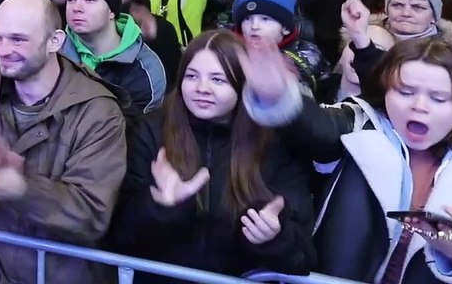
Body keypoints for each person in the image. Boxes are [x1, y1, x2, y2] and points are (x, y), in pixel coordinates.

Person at [242, 35, 452, 283]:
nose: (419, 105)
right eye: (405, 91)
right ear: (385, 92)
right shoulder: (359, 125)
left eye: (438, 98)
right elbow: (319, 128)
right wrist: (279, 97)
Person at [0, 0, 126, 283]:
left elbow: (91, 215)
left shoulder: (98, 111)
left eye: (18, 39)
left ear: (55, 41)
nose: (2, 49)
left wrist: (21, 188)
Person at [108, 30, 315, 282]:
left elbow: (304, 257)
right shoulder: (150, 132)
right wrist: (160, 207)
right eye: (192, 76)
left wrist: (274, 238)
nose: (202, 88)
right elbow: (118, 237)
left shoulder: (272, 143)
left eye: (218, 80)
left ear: (242, 85)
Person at [62, 0, 166, 115]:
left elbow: (136, 132)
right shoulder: (53, 50)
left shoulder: (145, 70)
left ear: (111, 11)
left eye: (89, 0)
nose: (76, 8)